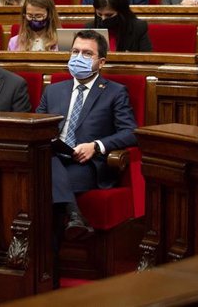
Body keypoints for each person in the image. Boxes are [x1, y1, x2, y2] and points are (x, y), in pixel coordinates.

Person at [36, 28, 137, 246]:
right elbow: (37, 128)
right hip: (54, 158)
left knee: (43, 187)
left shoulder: (115, 92)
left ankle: (46, 272)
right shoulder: (53, 91)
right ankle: (75, 216)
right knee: (47, 161)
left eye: (87, 54)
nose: (79, 58)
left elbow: (130, 132)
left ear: (101, 62)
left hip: (86, 164)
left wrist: (96, 146)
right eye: (75, 52)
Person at [86, 0, 151, 52]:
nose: (103, 19)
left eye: (109, 15)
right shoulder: (90, 28)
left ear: (121, 11)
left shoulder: (138, 28)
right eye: (99, 14)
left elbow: (147, 59)